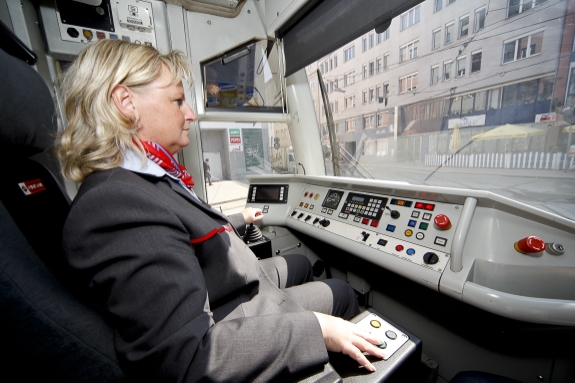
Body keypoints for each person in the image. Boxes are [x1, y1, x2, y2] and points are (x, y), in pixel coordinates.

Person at [55, 40, 385, 382]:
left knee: (301, 263)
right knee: (343, 294)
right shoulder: (115, 206)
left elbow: (183, 231)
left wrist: (241, 219)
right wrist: (318, 329)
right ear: (126, 103)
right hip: (231, 314)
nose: (190, 114)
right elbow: (190, 359)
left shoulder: (145, 180)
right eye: (177, 100)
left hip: (226, 290)